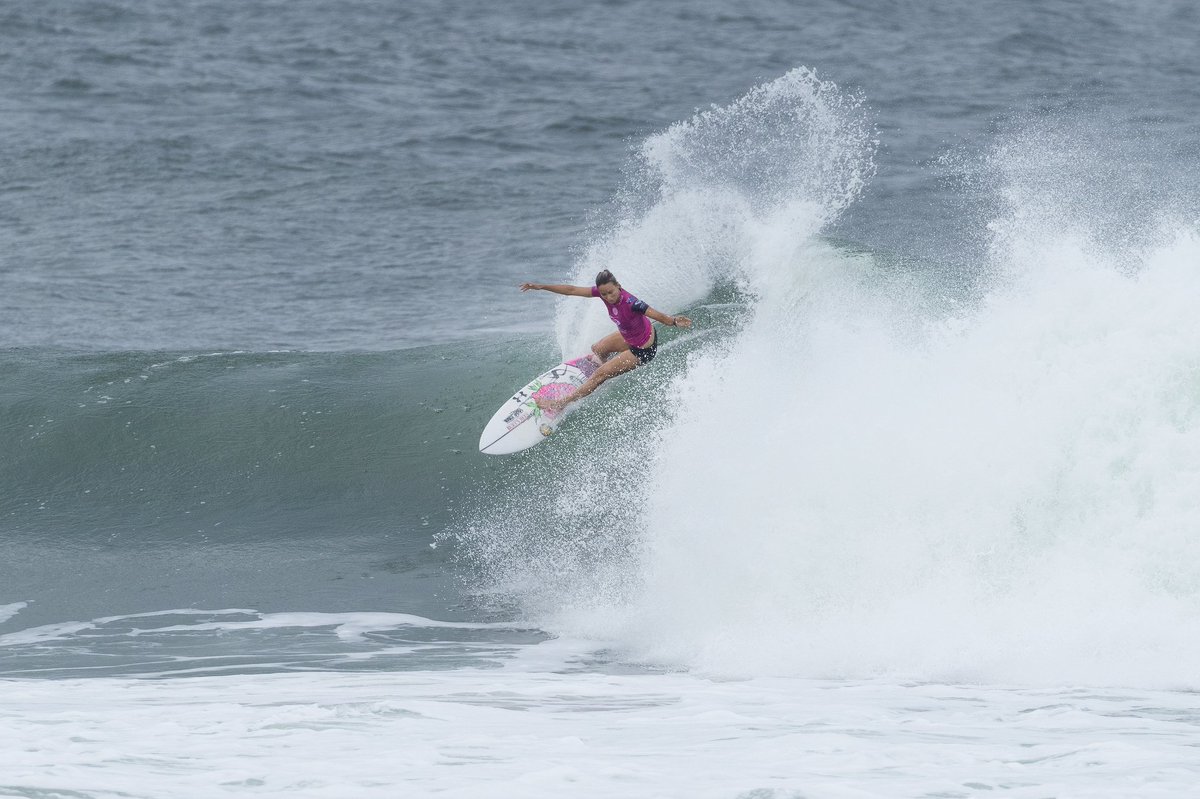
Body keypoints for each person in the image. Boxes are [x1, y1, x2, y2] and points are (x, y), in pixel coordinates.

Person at [519, 270, 692, 411]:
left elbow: (655, 314)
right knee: (597, 349)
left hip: (643, 349)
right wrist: (542, 287)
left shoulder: (632, 303)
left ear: (618, 286)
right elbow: (572, 290)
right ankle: (605, 371)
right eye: (604, 294)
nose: (608, 297)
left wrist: (674, 321)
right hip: (631, 337)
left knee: (599, 374)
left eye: (611, 292)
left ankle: (560, 403)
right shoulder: (602, 294)